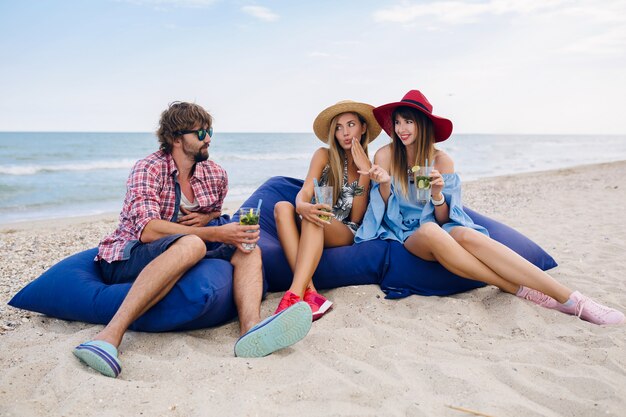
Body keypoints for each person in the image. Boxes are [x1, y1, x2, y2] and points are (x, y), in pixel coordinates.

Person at [73, 102, 312, 378]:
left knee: (247, 246)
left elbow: (212, 212)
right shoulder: (148, 169)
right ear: (176, 139)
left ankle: (251, 330)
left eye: (209, 130)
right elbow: (148, 231)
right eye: (200, 133)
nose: (208, 138)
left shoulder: (216, 174)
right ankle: (109, 336)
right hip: (130, 252)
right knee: (195, 243)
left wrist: (210, 218)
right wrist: (214, 232)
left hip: (182, 248)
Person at [355, 90, 624, 325]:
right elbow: (385, 214)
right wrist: (386, 183)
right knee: (431, 231)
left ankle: (574, 299)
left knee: (466, 234)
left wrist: (437, 194)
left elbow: (446, 217)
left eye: (409, 121)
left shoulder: (441, 161)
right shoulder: (386, 155)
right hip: (407, 235)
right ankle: (519, 288)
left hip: (438, 228)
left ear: (423, 124)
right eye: (398, 122)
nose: (401, 128)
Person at [273, 100, 382, 319]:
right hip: (314, 218)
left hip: (345, 229)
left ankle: (293, 295)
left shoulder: (367, 166)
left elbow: (357, 217)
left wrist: (363, 171)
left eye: (351, 125)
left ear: (362, 127)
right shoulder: (323, 155)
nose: (345, 132)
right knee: (282, 207)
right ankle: (310, 293)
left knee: (317, 215)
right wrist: (302, 205)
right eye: (339, 127)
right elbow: (305, 191)